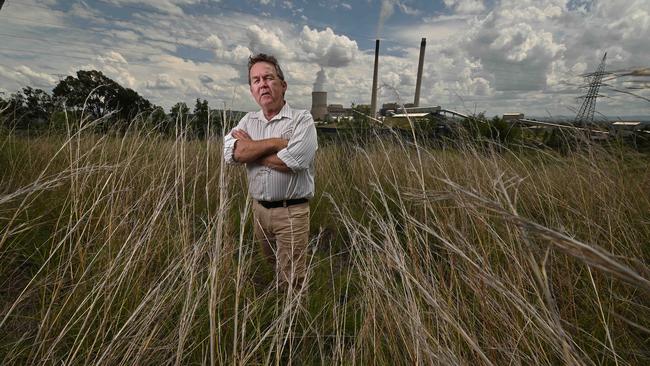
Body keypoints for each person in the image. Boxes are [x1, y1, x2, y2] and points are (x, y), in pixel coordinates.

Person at [223, 53, 318, 290]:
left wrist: (251, 152)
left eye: (268, 78)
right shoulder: (247, 121)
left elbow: (294, 161)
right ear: (252, 89)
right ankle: (276, 315)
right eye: (256, 80)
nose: (262, 84)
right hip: (259, 212)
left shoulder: (301, 120)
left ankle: (293, 322)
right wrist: (276, 143)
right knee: (270, 267)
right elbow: (230, 154)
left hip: (291, 212)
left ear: (283, 85)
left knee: (291, 280)